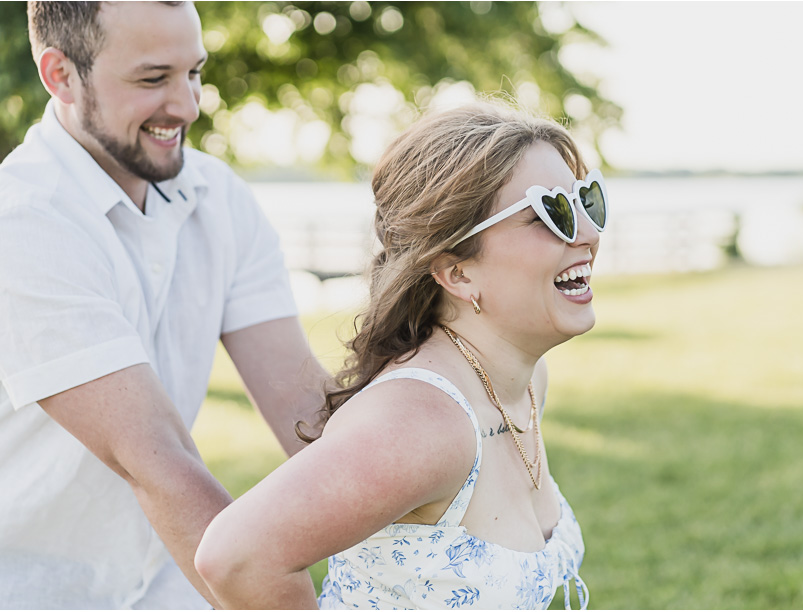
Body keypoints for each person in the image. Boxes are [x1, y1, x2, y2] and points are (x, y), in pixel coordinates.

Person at [194, 102, 607, 609]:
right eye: (552, 213)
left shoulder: (524, 380)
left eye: (587, 201)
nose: (587, 233)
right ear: (457, 272)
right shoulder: (423, 423)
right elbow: (237, 556)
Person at [0, 2, 330, 608]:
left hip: (166, 586)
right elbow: (158, 464)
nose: (187, 105)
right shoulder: (22, 221)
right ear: (60, 75)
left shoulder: (220, 198)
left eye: (194, 73)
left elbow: (307, 412)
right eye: (153, 79)